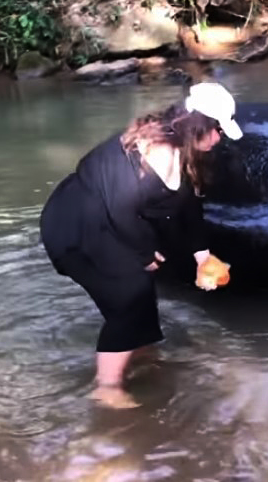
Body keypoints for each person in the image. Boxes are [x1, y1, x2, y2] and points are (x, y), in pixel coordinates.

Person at [40, 82, 243, 408]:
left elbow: (191, 207)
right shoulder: (154, 149)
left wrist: (203, 257)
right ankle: (106, 388)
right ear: (198, 126)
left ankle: (142, 355)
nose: (219, 138)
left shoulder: (189, 155)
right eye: (217, 129)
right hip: (76, 225)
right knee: (130, 295)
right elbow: (121, 206)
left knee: (142, 294)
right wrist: (145, 253)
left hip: (111, 223)